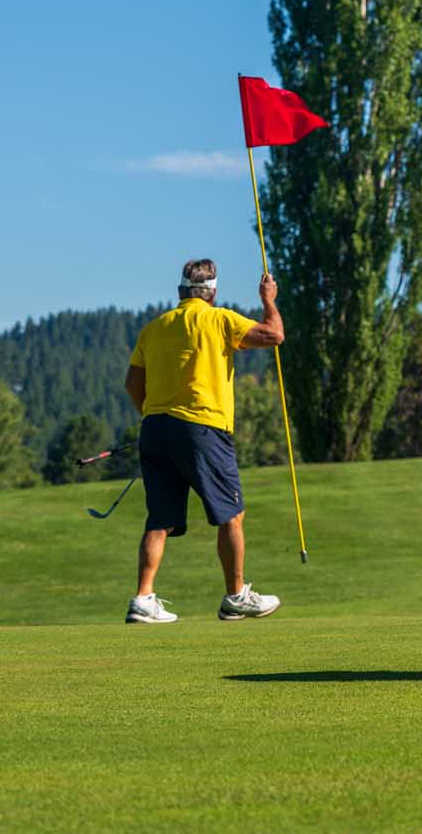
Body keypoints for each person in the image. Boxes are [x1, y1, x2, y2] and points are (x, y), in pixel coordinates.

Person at [122, 259, 287, 624]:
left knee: (160, 519)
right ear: (211, 293)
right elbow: (274, 335)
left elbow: (132, 384)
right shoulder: (219, 320)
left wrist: (152, 414)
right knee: (231, 514)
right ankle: (235, 596)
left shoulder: (154, 328)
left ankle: (143, 599)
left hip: (155, 429)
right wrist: (268, 299)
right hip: (203, 428)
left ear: (181, 291)